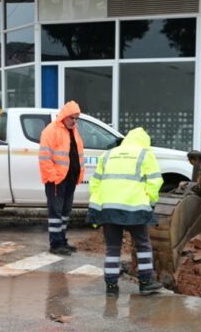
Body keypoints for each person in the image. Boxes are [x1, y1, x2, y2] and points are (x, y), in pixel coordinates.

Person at [87, 127, 164, 297]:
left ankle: (111, 287)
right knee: (143, 244)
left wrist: (97, 209)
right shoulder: (145, 154)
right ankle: (145, 282)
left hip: (108, 208)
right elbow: (155, 182)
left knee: (112, 248)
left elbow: (95, 183)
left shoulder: (108, 154)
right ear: (145, 142)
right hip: (134, 207)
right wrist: (150, 205)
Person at [38, 100, 85, 256]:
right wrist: (53, 177)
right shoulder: (51, 131)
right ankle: (55, 243)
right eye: (72, 118)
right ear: (65, 116)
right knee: (56, 212)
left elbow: (76, 154)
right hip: (57, 180)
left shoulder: (73, 131)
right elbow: (45, 157)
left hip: (70, 178)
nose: (74, 121)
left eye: (76, 118)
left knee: (65, 211)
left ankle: (62, 240)